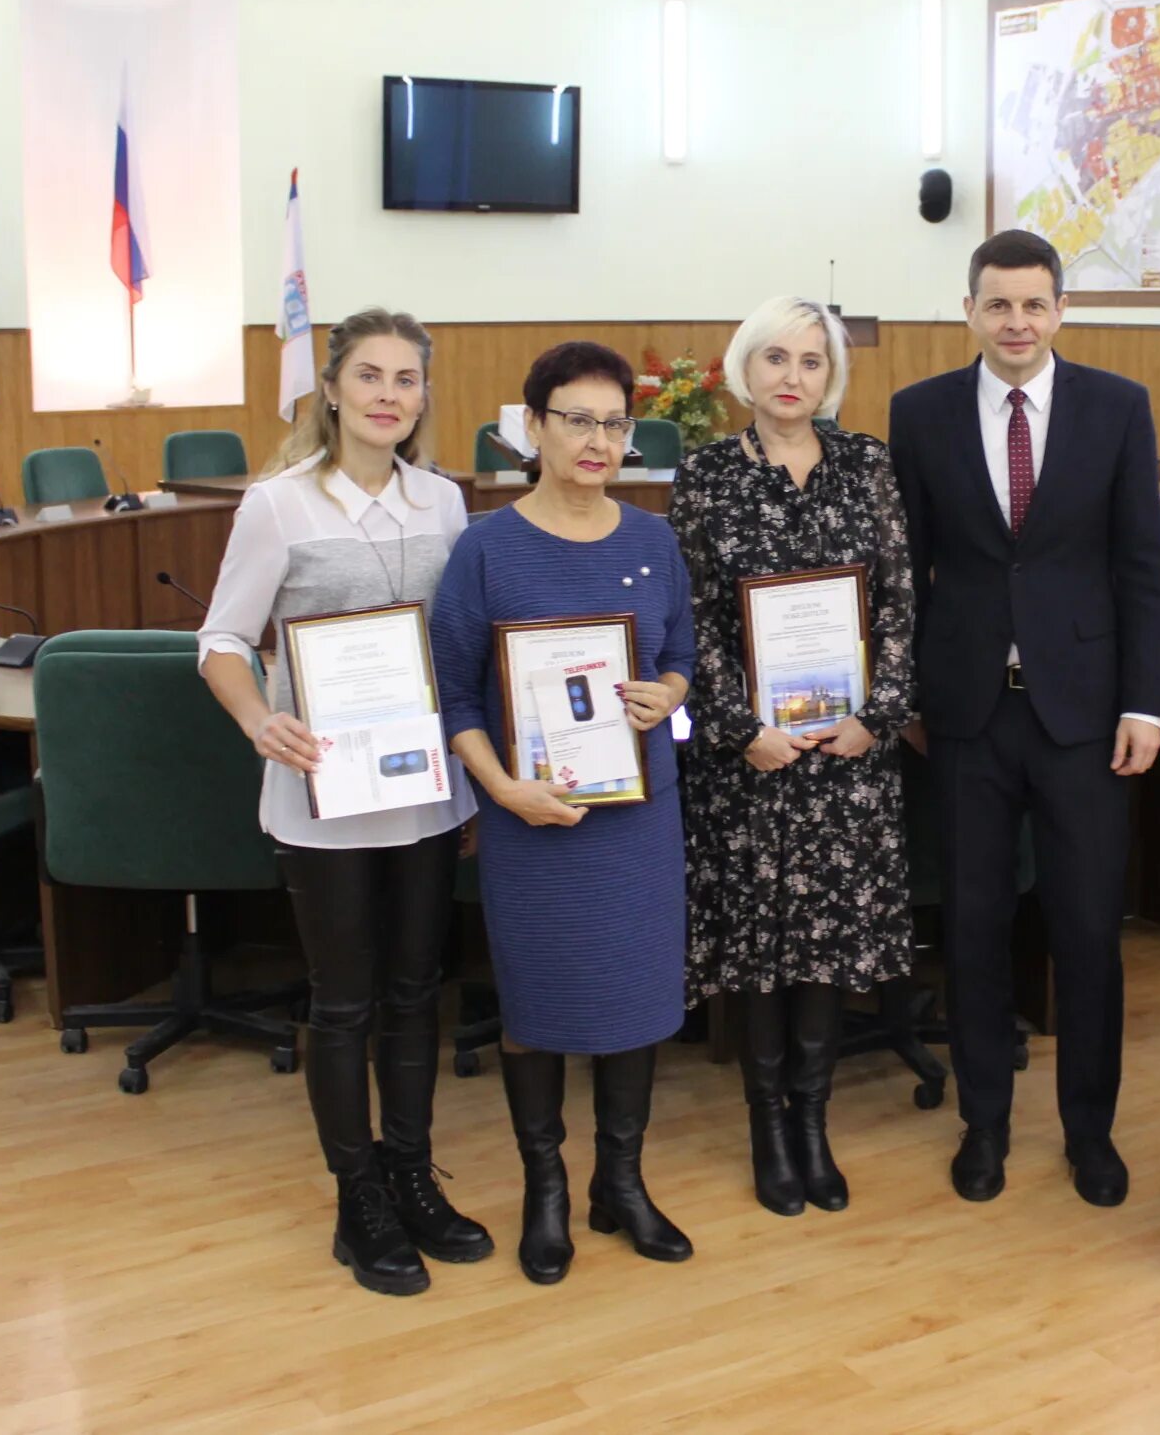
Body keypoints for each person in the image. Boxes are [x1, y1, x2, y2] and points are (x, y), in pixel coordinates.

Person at [197, 307, 489, 1299]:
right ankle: (355, 1194)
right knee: (345, 999)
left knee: (416, 992)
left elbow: (457, 644)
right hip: (319, 797)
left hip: (421, 795)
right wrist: (255, 721)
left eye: (405, 379)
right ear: (330, 388)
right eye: (369, 375)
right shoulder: (278, 505)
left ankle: (411, 1172)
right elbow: (222, 641)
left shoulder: (444, 503)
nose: (386, 395)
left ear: (421, 397)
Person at [887, 229, 1160, 1209]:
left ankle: (1089, 1131)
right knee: (971, 927)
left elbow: (1141, 565)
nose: (1016, 322)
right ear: (968, 309)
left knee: (1089, 929)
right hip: (964, 713)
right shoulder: (918, 412)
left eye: (1034, 304)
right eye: (997, 304)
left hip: (1086, 716)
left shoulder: (1116, 407)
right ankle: (986, 1125)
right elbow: (905, 574)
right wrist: (912, 696)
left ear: (1059, 310)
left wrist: (1143, 699)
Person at [430, 341, 697, 1285]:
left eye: (613, 422)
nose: (597, 440)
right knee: (537, 1008)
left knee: (636, 1001)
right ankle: (546, 1189)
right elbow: (455, 696)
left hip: (638, 818)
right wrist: (500, 788)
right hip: (528, 818)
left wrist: (667, 693)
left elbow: (683, 661)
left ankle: (618, 1183)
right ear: (531, 427)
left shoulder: (653, 539)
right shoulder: (486, 547)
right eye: (575, 419)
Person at [672, 297, 916, 1219]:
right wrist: (742, 728)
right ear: (745, 368)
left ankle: (813, 1121)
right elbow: (690, 621)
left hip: (849, 757)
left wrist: (879, 714)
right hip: (753, 762)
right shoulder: (704, 477)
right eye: (774, 357)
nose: (792, 376)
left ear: (831, 376)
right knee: (760, 953)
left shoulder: (867, 466)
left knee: (826, 950)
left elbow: (896, 600)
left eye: (811, 362)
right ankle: (767, 1128)